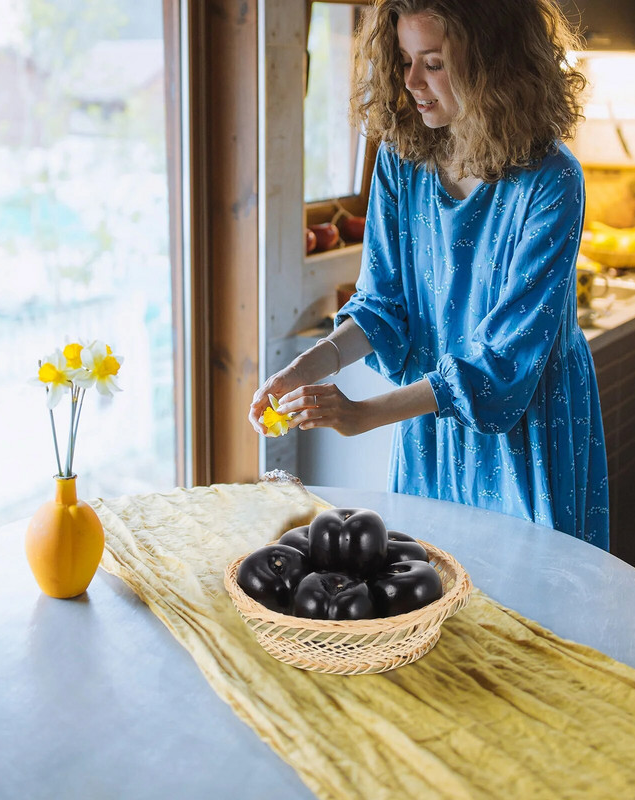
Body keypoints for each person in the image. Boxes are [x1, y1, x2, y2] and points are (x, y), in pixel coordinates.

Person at [248, 0, 609, 549]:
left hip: (527, 425)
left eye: (434, 63)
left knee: (532, 609)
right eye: (404, 59)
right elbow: (381, 307)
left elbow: (505, 364)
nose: (412, 81)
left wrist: (362, 414)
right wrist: (307, 366)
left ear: (494, 65)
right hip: (433, 424)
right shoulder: (401, 160)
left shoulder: (552, 182)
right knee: (431, 589)